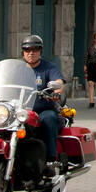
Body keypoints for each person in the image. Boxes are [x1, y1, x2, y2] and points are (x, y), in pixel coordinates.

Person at [20, 35, 65, 168]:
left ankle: (51, 159)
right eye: (27, 50)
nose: (31, 53)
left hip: (42, 110)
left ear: (40, 51)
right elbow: (2, 81)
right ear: (23, 52)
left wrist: (57, 92)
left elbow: (59, 82)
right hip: (21, 111)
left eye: (35, 49)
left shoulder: (48, 68)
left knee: (49, 118)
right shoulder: (18, 68)